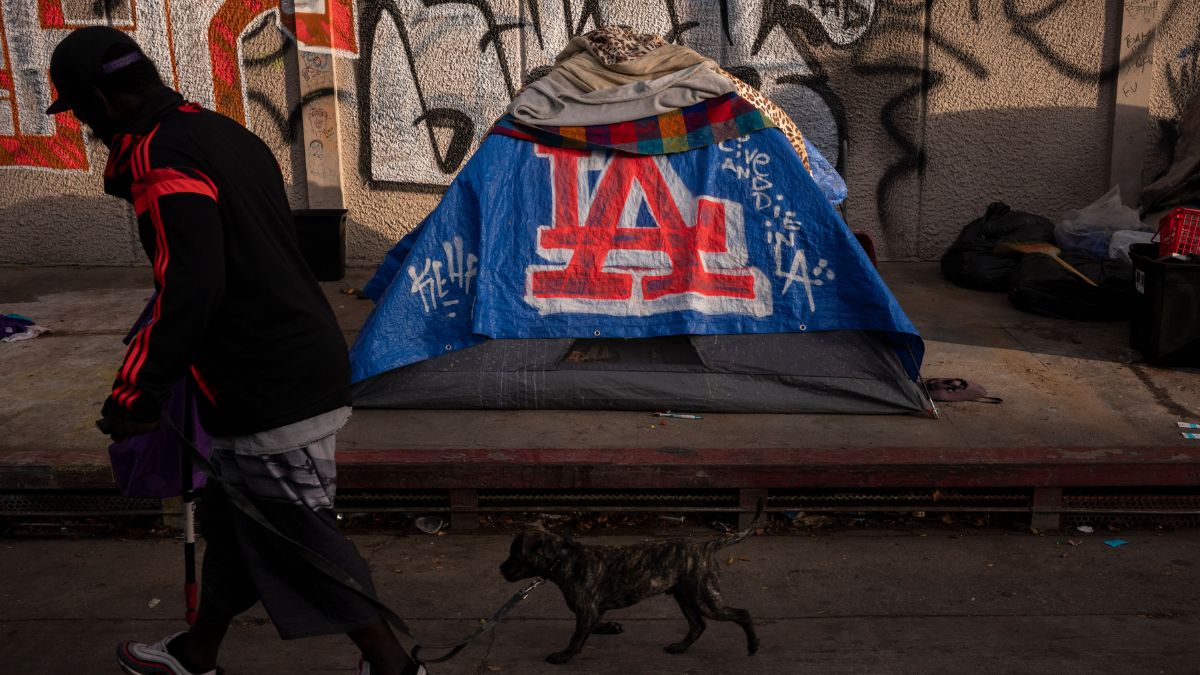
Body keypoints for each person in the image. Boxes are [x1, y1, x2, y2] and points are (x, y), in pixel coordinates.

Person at [46, 26, 423, 675]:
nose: (84, 126)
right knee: (233, 521)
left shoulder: (160, 156)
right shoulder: (223, 133)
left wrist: (138, 390)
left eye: (80, 111)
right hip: (286, 363)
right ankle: (197, 653)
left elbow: (191, 282)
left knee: (295, 533)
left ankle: (393, 664)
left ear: (104, 102)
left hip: (267, 383)